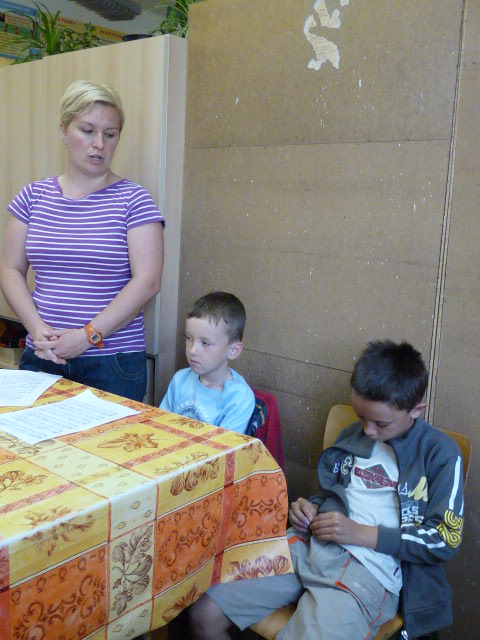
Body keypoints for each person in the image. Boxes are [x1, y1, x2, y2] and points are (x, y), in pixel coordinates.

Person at [189, 340, 465, 640]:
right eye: (361, 417)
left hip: (369, 571)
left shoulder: (439, 453)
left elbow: (444, 538)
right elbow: (334, 494)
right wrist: (310, 508)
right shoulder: (353, 436)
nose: (368, 431)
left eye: (381, 423)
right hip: (309, 544)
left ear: (416, 410)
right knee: (205, 613)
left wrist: (361, 533)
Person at [0, 80, 164, 402]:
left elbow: (148, 281)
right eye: (87, 130)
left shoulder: (135, 200)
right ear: (64, 130)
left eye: (110, 134)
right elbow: (10, 269)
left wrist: (87, 336)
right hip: (43, 354)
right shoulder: (32, 197)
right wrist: (36, 329)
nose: (99, 144)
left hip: (112, 361)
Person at [160, 291, 255, 433]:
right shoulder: (180, 379)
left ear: (233, 350)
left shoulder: (239, 398)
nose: (193, 350)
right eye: (189, 338)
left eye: (205, 343)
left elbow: (223, 446)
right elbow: (160, 426)